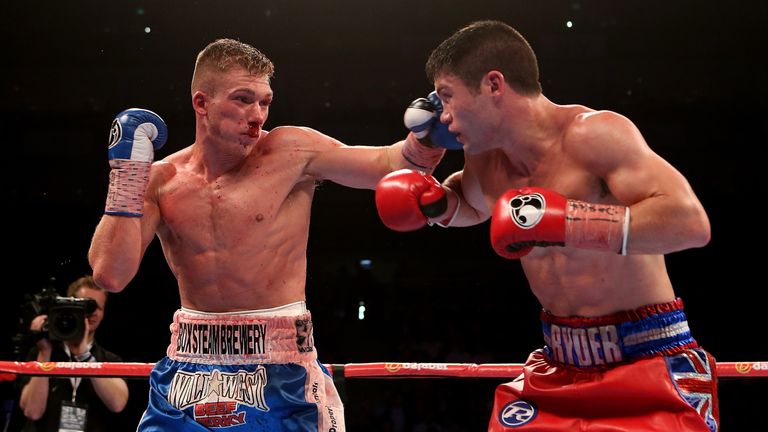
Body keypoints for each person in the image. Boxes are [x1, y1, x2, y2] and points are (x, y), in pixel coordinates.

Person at [88, 38, 454, 431]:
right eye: (243, 99)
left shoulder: (291, 151)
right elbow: (111, 275)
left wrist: (429, 135)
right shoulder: (161, 179)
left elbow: (391, 163)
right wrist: (127, 179)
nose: (257, 115)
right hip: (188, 370)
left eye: (264, 102)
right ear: (201, 103)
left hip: (281, 367)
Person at [375, 20, 718, 431]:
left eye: (447, 97)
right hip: (558, 364)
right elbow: (473, 205)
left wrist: (567, 222)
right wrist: (434, 204)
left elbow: (689, 223)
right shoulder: (485, 159)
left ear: (493, 85)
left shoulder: (594, 135)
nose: (442, 115)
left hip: (647, 358)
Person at [18, 275, 129, 432]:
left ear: (103, 313)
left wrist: (84, 355)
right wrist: (45, 353)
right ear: (69, 306)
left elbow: (118, 403)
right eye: (85, 305)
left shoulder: (109, 360)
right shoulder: (41, 352)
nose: (91, 313)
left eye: (97, 307)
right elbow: (32, 412)